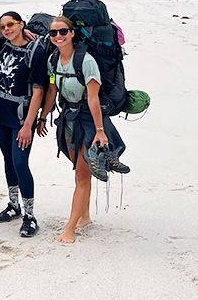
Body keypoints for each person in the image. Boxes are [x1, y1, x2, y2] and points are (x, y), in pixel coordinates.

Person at [39, 15, 126, 244]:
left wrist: (99, 130)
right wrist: (43, 117)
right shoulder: (53, 61)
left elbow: (93, 99)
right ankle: (84, 216)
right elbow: (51, 91)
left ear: (72, 33)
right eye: (54, 33)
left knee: (81, 174)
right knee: (80, 170)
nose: (58, 36)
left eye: (63, 32)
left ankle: (70, 228)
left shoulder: (86, 61)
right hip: (68, 118)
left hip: (88, 119)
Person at [0, 11, 48, 237]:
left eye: (11, 24)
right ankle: (14, 205)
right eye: (3, 26)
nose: (7, 29)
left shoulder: (36, 51)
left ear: (21, 24)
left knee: (20, 162)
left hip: (22, 116)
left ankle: (30, 216)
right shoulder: (2, 45)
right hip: (0, 111)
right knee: (8, 159)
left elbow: (38, 90)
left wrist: (28, 125)